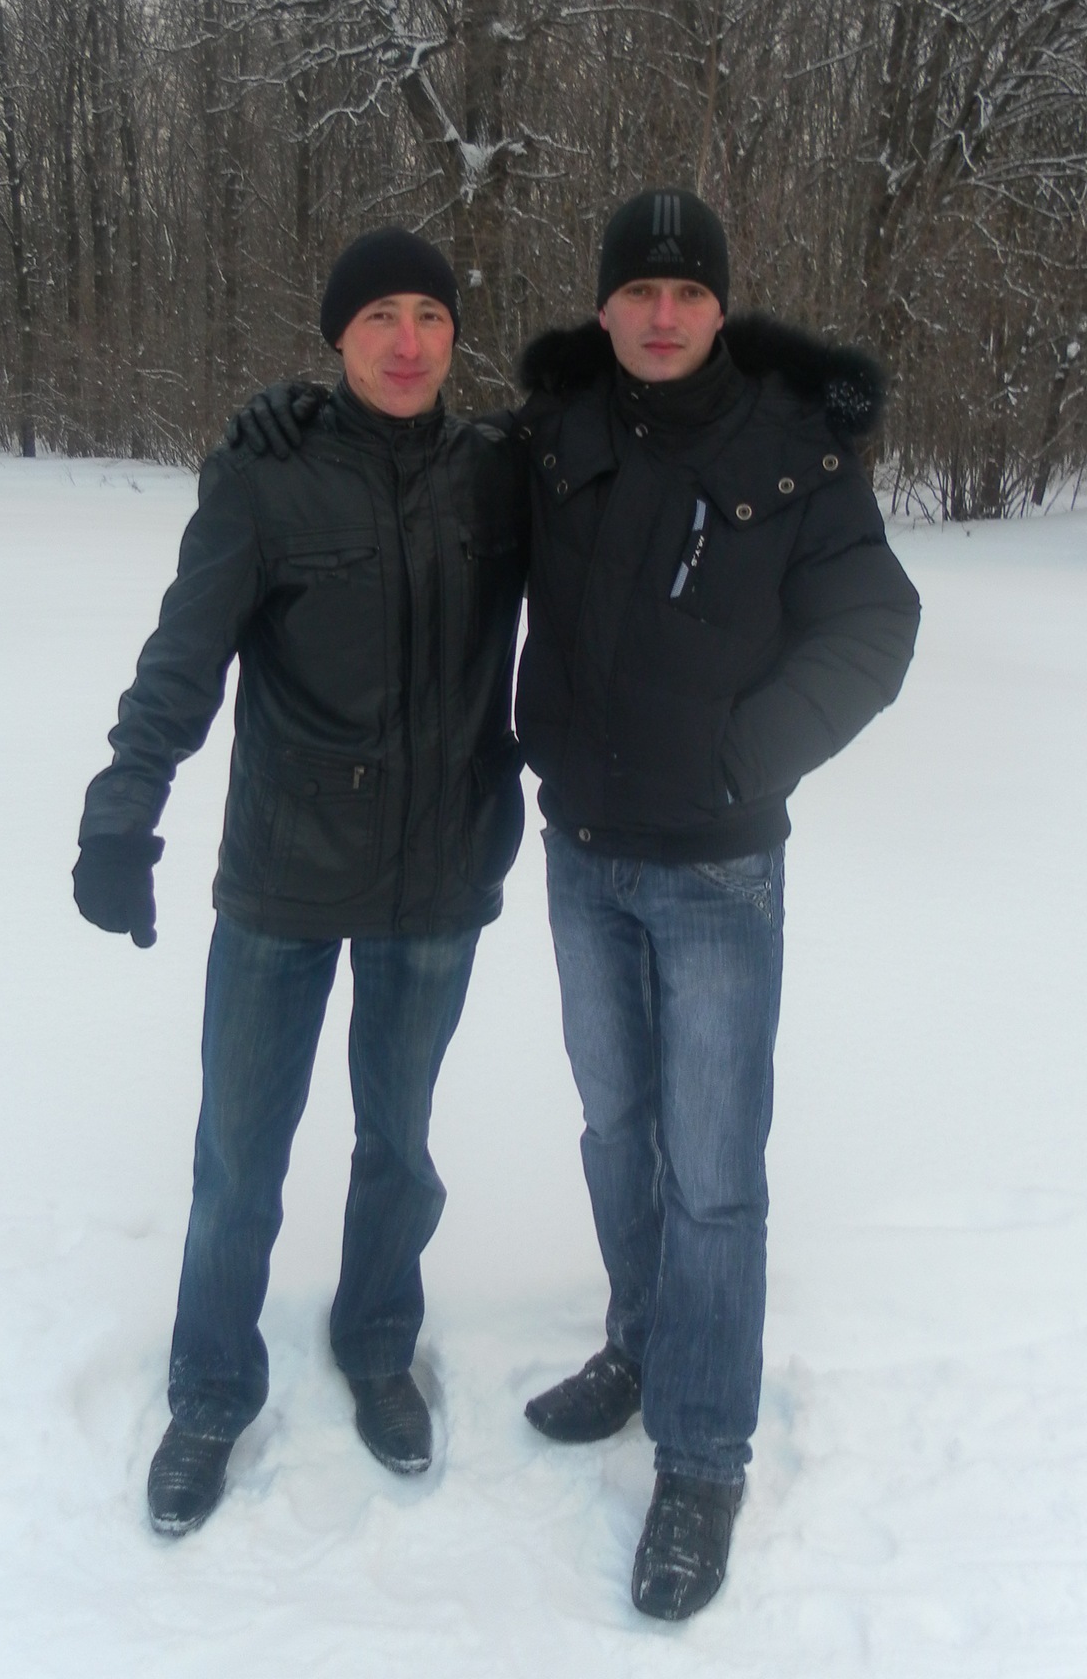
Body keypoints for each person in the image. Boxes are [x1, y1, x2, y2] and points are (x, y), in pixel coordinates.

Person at [229, 189, 920, 1621]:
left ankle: (705, 1457)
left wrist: (745, 755)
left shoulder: (793, 450)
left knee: (712, 1171)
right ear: (604, 308)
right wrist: (290, 420)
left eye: (688, 293)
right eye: (638, 293)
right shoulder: (557, 437)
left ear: (719, 306)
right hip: (585, 857)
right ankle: (643, 1343)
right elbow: (417, 460)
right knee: (614, 1129)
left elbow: (876, 624)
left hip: (719, 868)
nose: (662, 316)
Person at [73, 229, 528, 1537]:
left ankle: (377, 1342)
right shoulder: (266, 474)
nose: (407, 340)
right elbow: (182, 660)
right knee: (239, 1158)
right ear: (338, 336)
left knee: (400, 1146)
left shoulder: (501, 477)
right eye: (379, 315)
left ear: (454, 334)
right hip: (283, 877)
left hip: (438, 873)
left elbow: (636, 449)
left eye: (429, 314)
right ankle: (212, 1390)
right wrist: (122, 812)